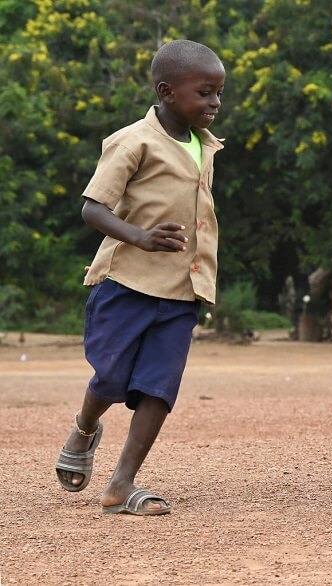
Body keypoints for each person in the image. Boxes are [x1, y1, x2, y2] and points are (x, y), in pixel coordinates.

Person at [54, 40, 226, 516]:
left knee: (159, 387)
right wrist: (141, 237)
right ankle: (85, 427)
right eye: (205, 93)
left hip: (183, 288)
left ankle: (121, 484)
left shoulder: (205, 144)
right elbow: (93, 208)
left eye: (218, 94)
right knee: (111, 377)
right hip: (127, 282)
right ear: (167, 92)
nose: (215, 103)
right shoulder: (133, 141)